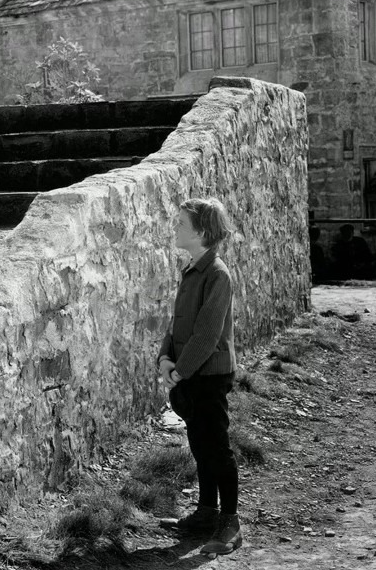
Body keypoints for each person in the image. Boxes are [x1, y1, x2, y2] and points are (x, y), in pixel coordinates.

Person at [157, 198, 241, 556]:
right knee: (199, 445)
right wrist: (165, 358)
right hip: (189, 373)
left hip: (209, 375)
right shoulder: (191, 269)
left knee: (216, 448)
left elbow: (207, 335)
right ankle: (207, 512)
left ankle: (230, 523)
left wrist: (178, 372)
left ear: (202, 231)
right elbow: (177, 324)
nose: (175, 228)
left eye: (181, 223)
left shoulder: (217, 274)